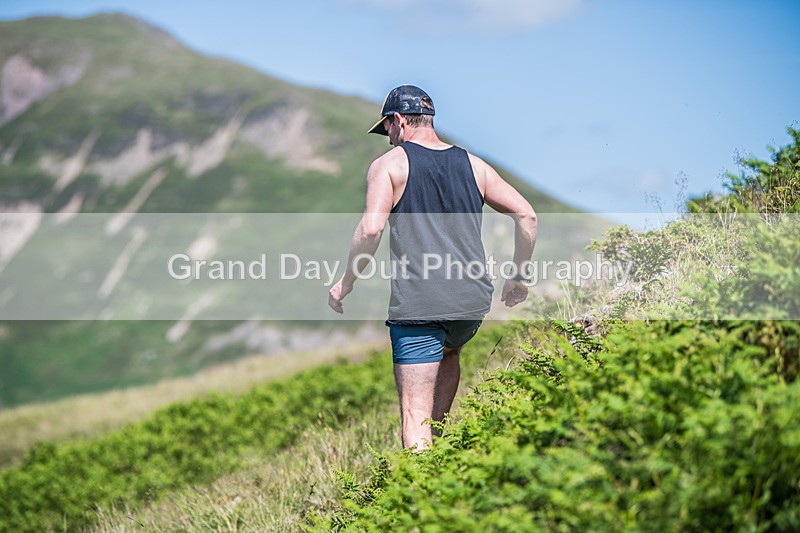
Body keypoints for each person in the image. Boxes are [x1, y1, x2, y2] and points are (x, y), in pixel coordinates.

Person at [328, 85, 537, 450]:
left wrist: (346, 282)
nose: (390, 140)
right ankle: (441, 460)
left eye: (388, 131)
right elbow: (527, 215)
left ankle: (422, 495)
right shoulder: (475, 165)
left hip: (421, 303)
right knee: (448, 351)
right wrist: (518, 274)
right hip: (470, 304)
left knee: (413, 415)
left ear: (398, 121)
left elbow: (372, 228)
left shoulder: (389, 166)